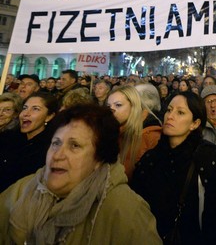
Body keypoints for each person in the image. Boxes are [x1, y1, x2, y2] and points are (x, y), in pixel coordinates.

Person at [0, 104, 162, 244]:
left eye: (74, 146)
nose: (58, 155)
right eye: (56, 143)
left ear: (99, 158)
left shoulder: (125, 212)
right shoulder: (20, 191)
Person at [131, 92, 216, 243]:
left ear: (194, 124)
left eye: (180, 112)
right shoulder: (150, 158)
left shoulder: (207, 159)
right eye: (169, 110)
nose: (170, 116)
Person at [0, 92, 59, 192]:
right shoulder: (7, 137)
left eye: (35, 109)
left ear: (49, 116)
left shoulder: (50, 149)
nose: (26, 113)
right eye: (25, 108)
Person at [107, 85, 161, 180]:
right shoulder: (114, 131)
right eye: (109, 106)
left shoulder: (151, 137)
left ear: (133, 106)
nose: (112, 110)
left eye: (118, 105)